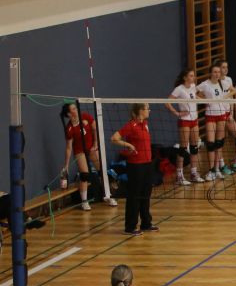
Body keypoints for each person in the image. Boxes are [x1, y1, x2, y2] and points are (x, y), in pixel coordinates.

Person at [59, 102, 117, 209]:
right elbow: (69, 148)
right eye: (73, 109)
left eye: (76, 108)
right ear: (69, 114)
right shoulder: (70, 128)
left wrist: (95, 143)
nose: (76, 110)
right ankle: (84, 201)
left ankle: (107, 196)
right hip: (80, 151)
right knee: (84, 175)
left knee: (102, 172)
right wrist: (66, 165)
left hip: (91, 148)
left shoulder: (85, 116)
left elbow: (95, 129)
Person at [111, 103, 157, 236]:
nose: (149, 110)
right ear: (140, 111)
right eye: (147, 108)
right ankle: (130, 227)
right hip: (136, 165)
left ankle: (146, 223)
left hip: (147, 164)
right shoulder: (131, 125)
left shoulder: (145, 124)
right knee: (134, 196)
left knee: (146, 194)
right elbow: (114, 138)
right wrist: (128, 145)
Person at [196, 63, 235, 181]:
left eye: (218, 72)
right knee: (211, 144)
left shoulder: (223, 83)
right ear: (211, 73)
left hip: (221, 115)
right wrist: (204, 100)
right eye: (215, 72)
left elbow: (234, 90)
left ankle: (217, 169)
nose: (217, 74)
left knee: (219, 143)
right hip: (210, 116)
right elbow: (192, 93)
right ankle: (211, 170)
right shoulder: (205, 84)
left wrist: (224, 97)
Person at [165, 68, 205, 184]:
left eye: (193, 75)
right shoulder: (179, 89)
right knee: (183, 148)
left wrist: (205, 100)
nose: (194, 77)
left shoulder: (193, 86)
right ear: (185, 77)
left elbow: (194, 97)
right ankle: (179, 176)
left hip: (194, 120)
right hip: (184, 121)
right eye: (191, 75)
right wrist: (177, 113)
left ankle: (193, 173)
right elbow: (167, 102)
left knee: (194, 147)